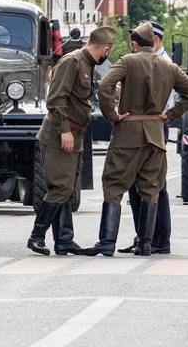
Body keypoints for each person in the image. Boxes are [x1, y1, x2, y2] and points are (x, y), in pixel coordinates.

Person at [83, 22, 188, 257]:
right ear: (154, 42)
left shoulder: (128, 60)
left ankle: (107, 242)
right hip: (156, 134)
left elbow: (105, 85)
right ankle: (146, 243)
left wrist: (112, 115)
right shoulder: (169, 67)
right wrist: (169, 114)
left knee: (114, 185)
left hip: (127, 132)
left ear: (134, 44)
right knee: (150, 188)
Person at [26, 26, 117, 256]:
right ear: (106, 49)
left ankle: (64, 239)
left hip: (74, 134)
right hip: (60, 134)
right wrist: (65, 130)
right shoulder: (73, 61)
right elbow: (56, 99)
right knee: (61, 187)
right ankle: (37, 236)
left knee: (66, 188)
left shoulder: (86, 64)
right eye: (109, 50)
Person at [119, 21, 174, 255]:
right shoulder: (145, 61)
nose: (134, 48)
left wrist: (166, 115)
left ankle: (159, 239)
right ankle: (143, 236)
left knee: (155, 185)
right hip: (143, 125)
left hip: (154, 126)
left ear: (155, 40)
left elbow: (173, 100)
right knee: (136, 185)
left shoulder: (165, 64)